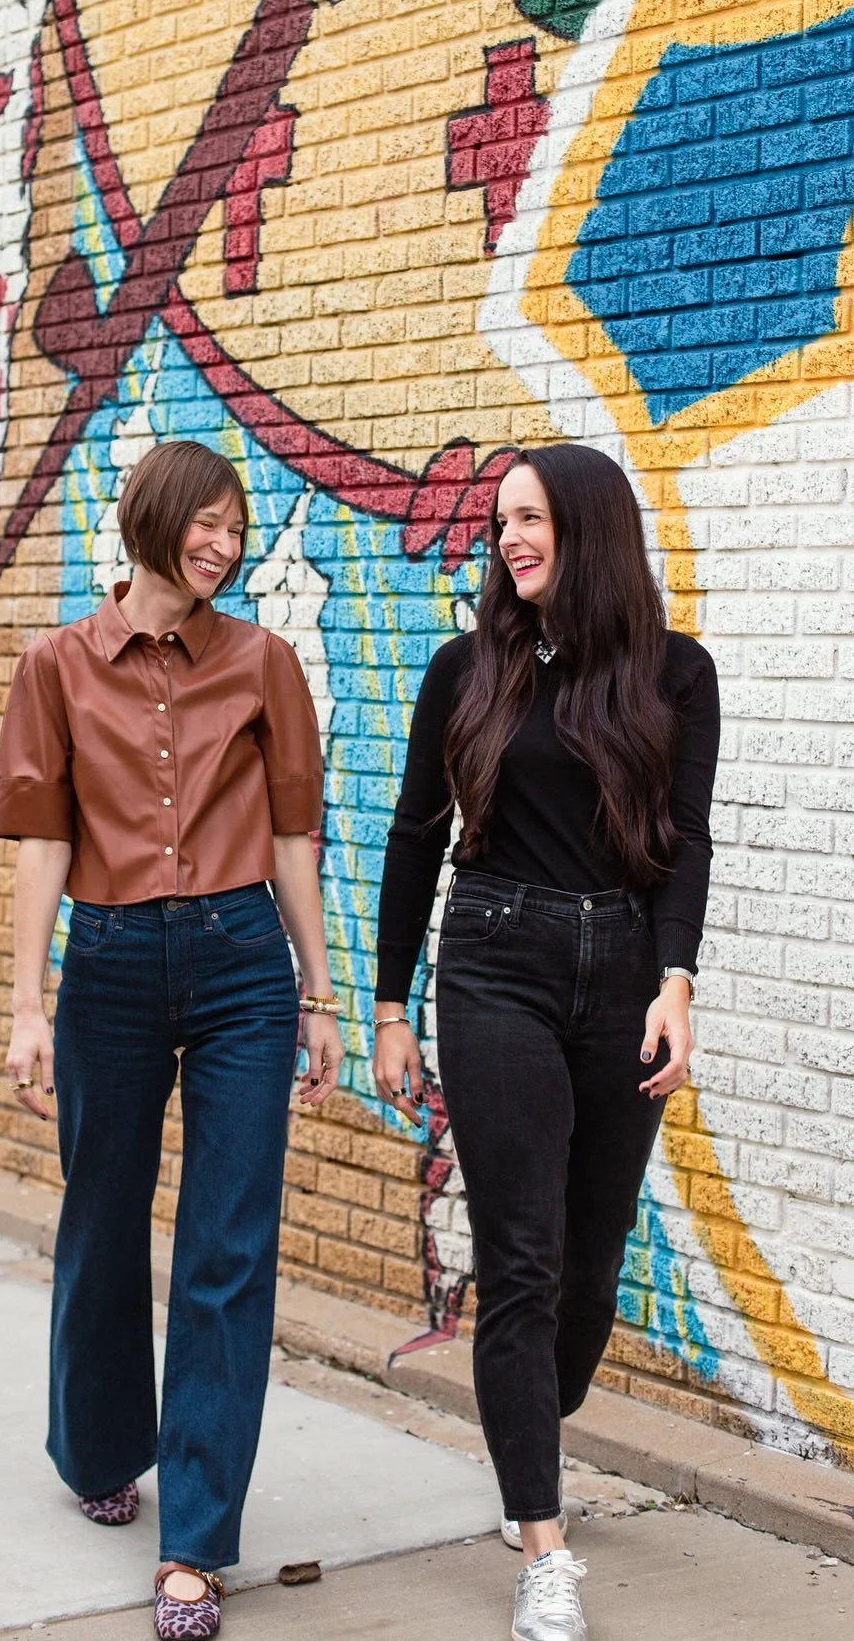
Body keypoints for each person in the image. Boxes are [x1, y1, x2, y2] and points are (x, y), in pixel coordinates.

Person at [0, 439, 343, 1640]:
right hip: (109, 963)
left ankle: (193, 1541)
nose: (224, 547)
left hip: (243, 963)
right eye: (208, 523)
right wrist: (26, 1006)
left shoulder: (262, 662)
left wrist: (318, 995)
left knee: (226, 1247)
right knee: (101, 1218)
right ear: (153, 517)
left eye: (236, 529)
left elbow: (290, 837)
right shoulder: (54, 666)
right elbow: (43, 840)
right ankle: (98, 1447)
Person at [373, 443, 719, 1641]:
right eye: (499, 521)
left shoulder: (674, 673)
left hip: (622, 969)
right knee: (518, 1260)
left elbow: (684, 840)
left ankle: (528, 1432)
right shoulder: (465, 668)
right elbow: (414, 836)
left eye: (530, 518)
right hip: (494, 963)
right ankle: (542, 1546)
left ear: (588, 526)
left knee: (588, 1261)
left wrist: (674, 980)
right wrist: (387, 1005)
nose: (508, 538)